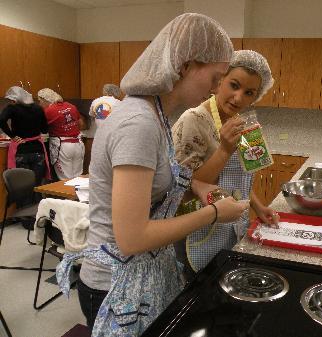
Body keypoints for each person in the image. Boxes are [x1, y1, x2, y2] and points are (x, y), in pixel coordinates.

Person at [56, 13, 248, 336]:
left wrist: (197, 188)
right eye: (215, 77)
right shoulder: (139, 124)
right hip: (115, 287)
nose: (217, 89)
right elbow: (133, 238)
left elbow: (155, 191)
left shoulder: (156, 116)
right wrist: (214, 214)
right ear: (186, 65)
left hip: (139, 278)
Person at [172, 50, 280, 276]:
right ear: (220, 80)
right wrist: (224, 149)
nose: (239, 98)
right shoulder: (194, 120)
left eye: (249, 92)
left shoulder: (238, 121)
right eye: (234, 85)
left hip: (229, 228)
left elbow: (239, 178)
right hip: (196, 231)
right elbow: (186, 188)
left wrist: (258, 207)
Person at [0, 86, 50, 191]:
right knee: (37, 186)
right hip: (38, 152)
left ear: (16, 99)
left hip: (21, 152)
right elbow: (45, 129)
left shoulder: (12, 108)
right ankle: (37, 206)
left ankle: (24, 207)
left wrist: (12, 136)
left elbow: (1, 120)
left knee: (23, 186)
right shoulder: (38, 108)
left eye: (12, 100)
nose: (11, 102)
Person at [37, 88, 85, 180]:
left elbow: (41, 128)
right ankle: (77, 195)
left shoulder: (48, 111)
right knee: (78, 178)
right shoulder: (71, 106)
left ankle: (68, 194)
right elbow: (81, 124)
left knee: (65, 180)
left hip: (63, 147)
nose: (40, 104)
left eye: (40, 101)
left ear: (45, 100)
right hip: (78, 145)